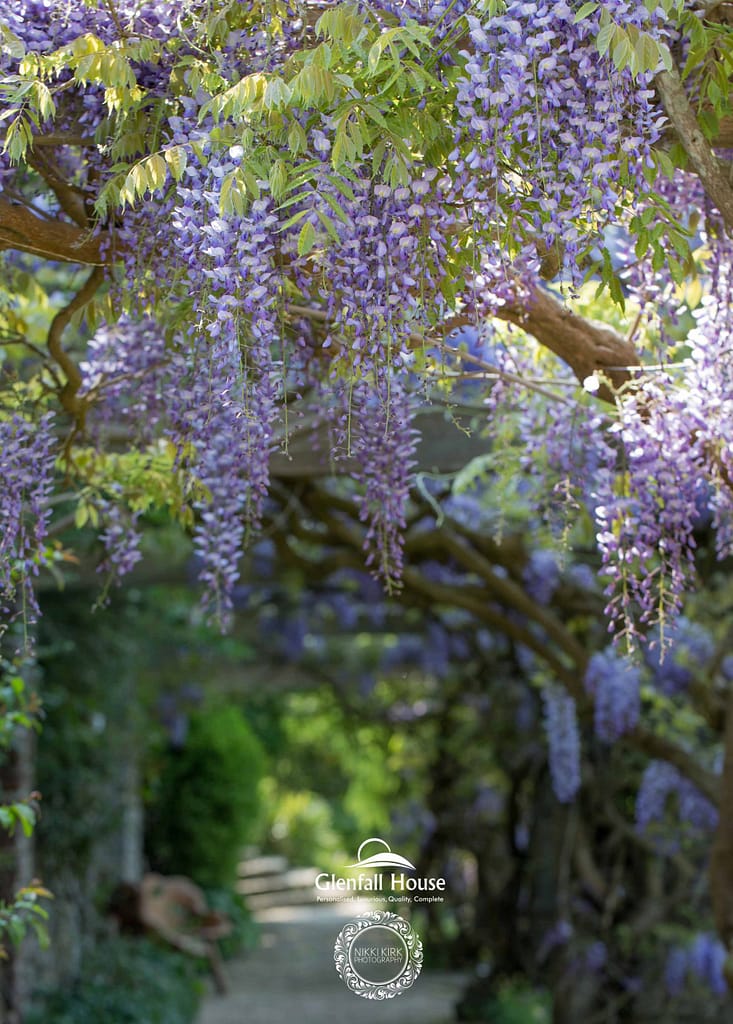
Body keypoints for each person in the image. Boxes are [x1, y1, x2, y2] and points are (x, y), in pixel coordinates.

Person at [109, 873, 232, 993]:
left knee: (208, 949)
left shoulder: (191, 933)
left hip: (165, 927)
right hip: (159, 922)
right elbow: (163, 890)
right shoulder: (186, 898)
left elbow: (183, 893)